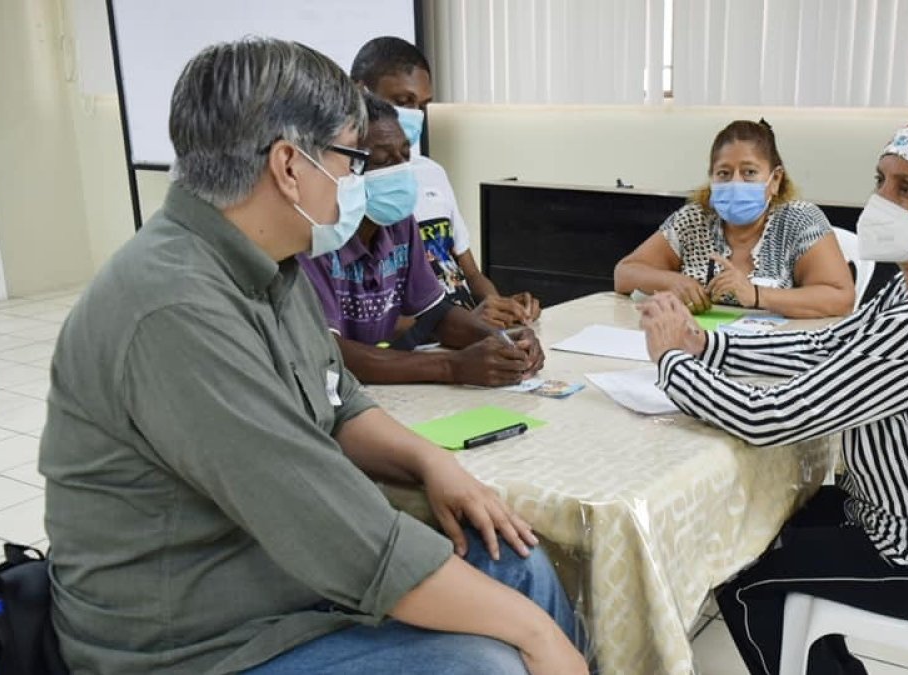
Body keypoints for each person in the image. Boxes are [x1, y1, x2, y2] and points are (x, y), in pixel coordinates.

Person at [39, 38, 588, 675]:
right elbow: (333, 529)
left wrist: (431, 461)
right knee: (491, 661)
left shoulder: (266, 264)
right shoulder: (175, 307)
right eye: (351, 159)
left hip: (277, 575)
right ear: (288, 165)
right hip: (199, 641)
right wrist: (539, 638)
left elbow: (339, 397)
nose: (356, 184)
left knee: (512, 557)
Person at [637, 110, 908, 674]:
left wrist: (673, 364)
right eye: (882, 180)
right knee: (760, 529)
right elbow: (826, 347)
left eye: (907, 188)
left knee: (743, 583)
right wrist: (709, 350)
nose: (882, 200)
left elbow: (770, 418)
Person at [298, 91, 542, 387]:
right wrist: (451, 367)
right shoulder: (316, 236)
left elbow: (437, 315)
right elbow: (329, 354)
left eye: (404, 156)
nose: (401, 171)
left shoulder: (399, 224)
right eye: (383, 161)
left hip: (378, 392)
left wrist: (501, 341)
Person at [350, 36, 541, 328]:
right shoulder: (352, 191)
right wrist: (465, 324)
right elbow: (376, 320)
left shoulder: (432, 172)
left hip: (461, 328)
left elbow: (471, 274)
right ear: (359, 91)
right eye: (403, 102)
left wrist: (502, 308)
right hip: (431, 337)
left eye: (423, 105)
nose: (414, 116)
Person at [614, 119, 855, 318]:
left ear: (776, 179)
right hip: (697, 347)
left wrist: (757, 295)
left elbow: (841, 299)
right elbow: (624, 274)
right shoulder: (695, 219)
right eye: (724, 173)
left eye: (749, 172)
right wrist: (672, 282)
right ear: (711, 178)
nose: (735, 183)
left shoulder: (800, 221)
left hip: (773, 354)